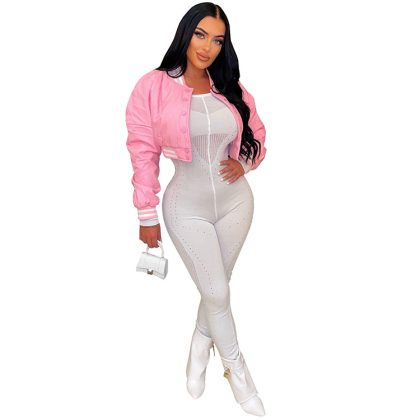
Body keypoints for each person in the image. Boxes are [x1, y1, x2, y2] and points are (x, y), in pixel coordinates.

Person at [125, 2, 267, 416]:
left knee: (215, 288)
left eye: (218, 40)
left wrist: (244, 163)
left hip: (237, 202)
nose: (207, 47)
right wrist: (146, 214)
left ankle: (199, 344)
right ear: (186, 33)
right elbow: (142, 151)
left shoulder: (230, 86)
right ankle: (238, 374)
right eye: (201, 35)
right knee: (217, 291)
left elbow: (258, 133)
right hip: (185, 207)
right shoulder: (152, 87)